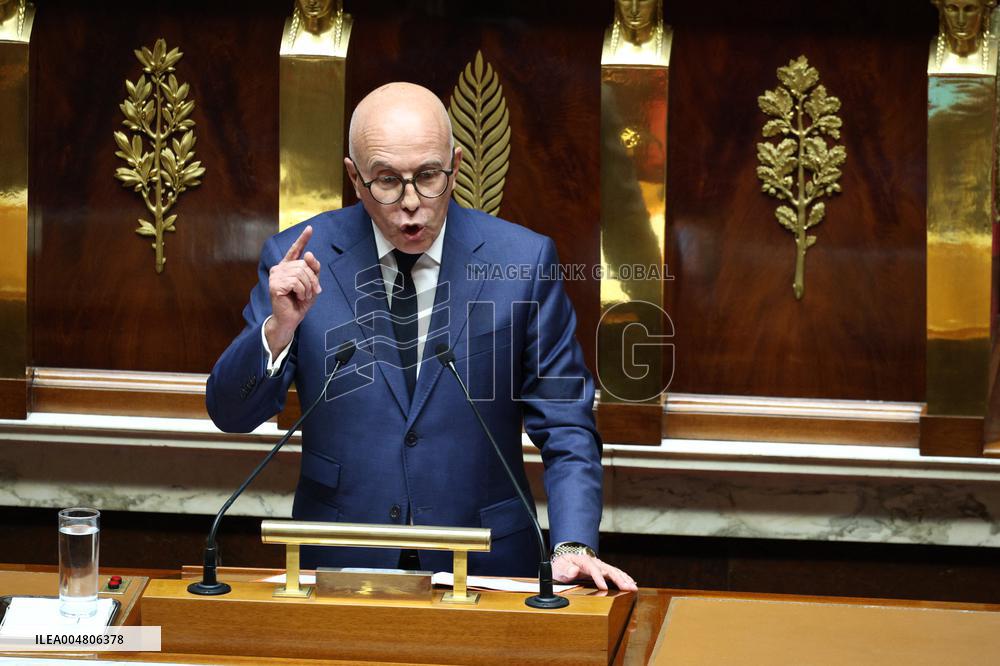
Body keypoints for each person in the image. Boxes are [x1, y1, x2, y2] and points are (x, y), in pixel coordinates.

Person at [207, 82, 636, 591]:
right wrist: (278, 330)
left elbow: (566, 425)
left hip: (487, 561)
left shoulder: (522, 262)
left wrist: (572, 545)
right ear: (355, 177)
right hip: (340, 557)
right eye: (387, 181)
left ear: (456, 166)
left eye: (429, 176)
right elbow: (231, 414)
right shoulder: (300, 258)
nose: (412, 203)